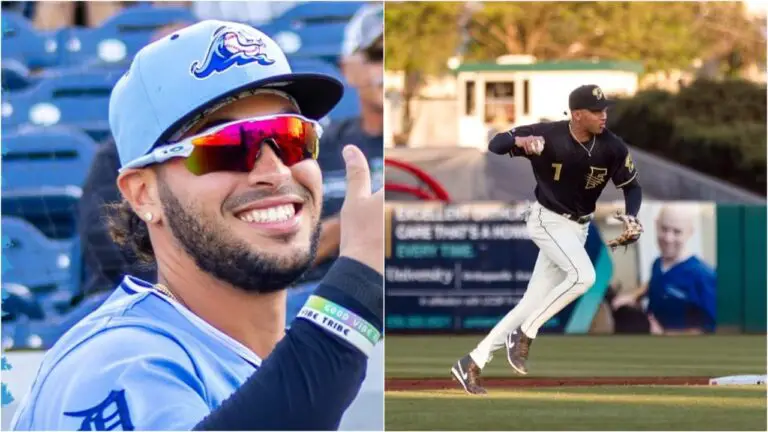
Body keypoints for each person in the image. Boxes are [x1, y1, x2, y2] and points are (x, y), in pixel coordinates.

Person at [10, 19, 383, 430]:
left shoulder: (261, 360)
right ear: (143, 195)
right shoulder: (112, 364)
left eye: (292, 137)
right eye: (225, 146)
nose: (276, 171)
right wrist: (358, 287)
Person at [451, 84, 644, 395]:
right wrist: (520, 140)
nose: (603, 115)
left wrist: (633, 215)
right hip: (547, 220)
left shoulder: (612, 147)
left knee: (529, 304)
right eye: (596, 111)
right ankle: (526, 334)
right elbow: (495, 145)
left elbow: (632, 187)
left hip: (577, 228)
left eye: (605, 109)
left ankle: (472, 362)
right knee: (584, 277)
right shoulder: (547, 135)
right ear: (578, 114)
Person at [286, 2, 384, 323]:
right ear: (347, 68)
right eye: (376, 57)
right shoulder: (319, 144)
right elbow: (293, 250)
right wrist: (360, 223)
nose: (385, 70)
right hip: (321, 294)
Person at [610, 204, 716, 335]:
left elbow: (710, 329)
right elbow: (655, 283)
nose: (668, 238)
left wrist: (665, 334)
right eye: (664, 229)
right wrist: (633, 295)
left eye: (677, 232)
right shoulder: (657, 263)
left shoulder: (704, 276)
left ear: (690, 232)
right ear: (656, 225)